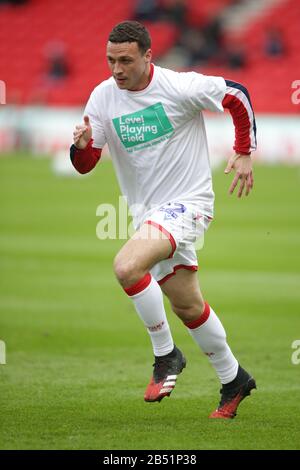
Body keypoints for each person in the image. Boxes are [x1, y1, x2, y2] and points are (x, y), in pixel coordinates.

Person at [70, 21, 257, 419]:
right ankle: (234, 378)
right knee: (188, 306)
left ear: (148, 56)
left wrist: (243, 149)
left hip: (188, 204)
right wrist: (81, 147)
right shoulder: (103, 97)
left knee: (126, 266)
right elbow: (86, 164)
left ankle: (166, 356)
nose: (116, 69)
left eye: (125, 60)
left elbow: (236, 95)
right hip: (149, 215)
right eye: (110, 60)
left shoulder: (178, 87)